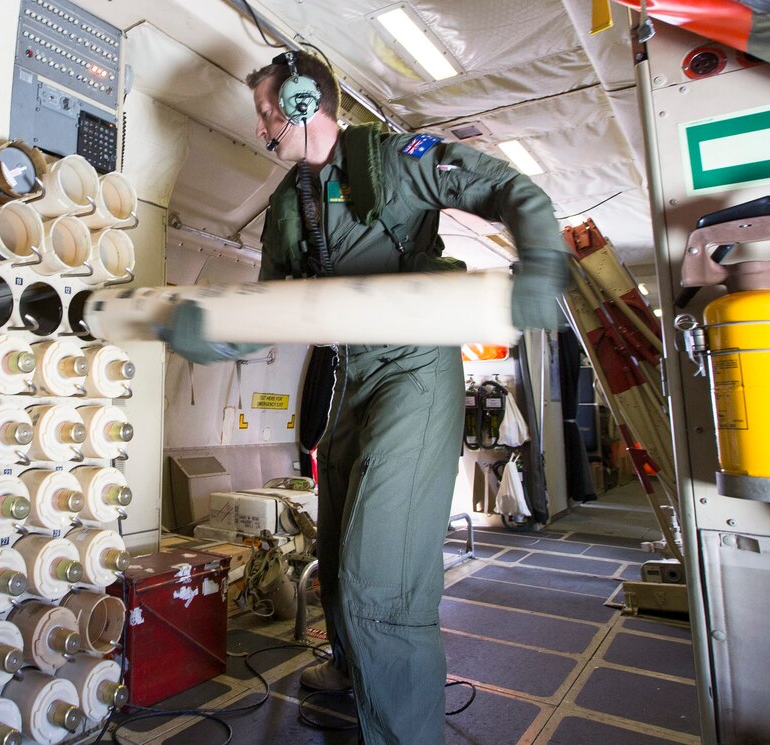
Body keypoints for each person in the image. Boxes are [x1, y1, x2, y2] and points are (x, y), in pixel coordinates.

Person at [159, 50, 568, 743]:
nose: (260, 129)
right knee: (343, 554)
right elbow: (270, 310)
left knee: (383, 582)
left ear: (298, 101)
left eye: (265, 112)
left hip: (412, 372)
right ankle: (353, 669)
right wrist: (215, 335)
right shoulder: (288, 205)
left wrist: (541, 262)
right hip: (347, 379)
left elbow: (510, 190)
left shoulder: (391, 160)